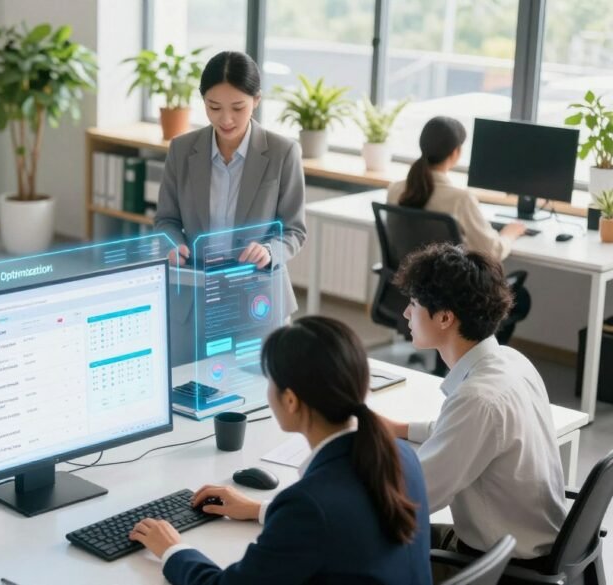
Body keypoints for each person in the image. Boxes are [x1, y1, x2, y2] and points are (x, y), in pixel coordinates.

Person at [130, 316, 432, 585]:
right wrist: (260, 509)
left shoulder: (308, 506)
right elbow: (344, 525)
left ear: (290, 400)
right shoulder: (400, 455)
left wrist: (172, 550)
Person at [382, 243, 566, 571]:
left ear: (444, 317)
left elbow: (412, 498)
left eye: (413, 304)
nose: (407, 313)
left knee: (364, 548)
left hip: (502, 569)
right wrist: (396, 429)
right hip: (530, 544)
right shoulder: (511, 361)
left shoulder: (477, 400)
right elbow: (462, 430)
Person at [154, 50, 306, 316]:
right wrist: (173, 245)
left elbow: (294, 230)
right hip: (196, 291)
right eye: (214, 107)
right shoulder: (181, 149)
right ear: (203, 101)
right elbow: (167, 219)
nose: (225, 119)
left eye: (238, 108)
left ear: (256, 100)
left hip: (259, 294)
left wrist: (270, 250)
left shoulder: (283, 153)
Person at [387, 116, 526, 259]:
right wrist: (509, 234)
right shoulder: (461, 200)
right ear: (455, 152)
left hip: (407, 279)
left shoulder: (395, 190)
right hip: (447, 281)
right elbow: (492, 252)